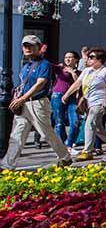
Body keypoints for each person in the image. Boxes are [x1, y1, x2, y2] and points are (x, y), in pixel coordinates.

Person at [1, 35, 72, 170]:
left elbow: (40, 84)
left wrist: (22, 98)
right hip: (24, 104)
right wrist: (18, 98)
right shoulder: (26, 65)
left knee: (46, 133)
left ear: (39, 48)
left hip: (37, 103)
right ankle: (7, 165)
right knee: (17, 134)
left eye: (31, 46)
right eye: (25, 46)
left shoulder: (44, 64)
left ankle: (65, 157)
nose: (27, 48)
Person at [62, 47, 106, 162]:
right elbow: (78, 83)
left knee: (89, 123)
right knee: (99, 129)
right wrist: (66, 94)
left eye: (91, 57)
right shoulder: (87, 71)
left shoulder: (105, 71)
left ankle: (87, 151)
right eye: (88, 57)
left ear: (99, 59)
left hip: (99, 103)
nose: (88, 59)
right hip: (88, 103)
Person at [51, 51, 80, 145]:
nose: (67, 59)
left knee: (75, 122)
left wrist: (72, 72)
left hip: (72, 97)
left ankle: (69, 144)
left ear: (76, 59)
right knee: (59, 122)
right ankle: (62, 146)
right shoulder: (60, 68)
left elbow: (78, 83)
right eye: (66, 57)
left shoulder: (80, 72)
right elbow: (48, 65)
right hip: (57, 95)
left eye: (70, 57)